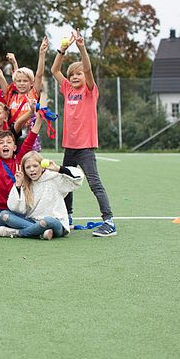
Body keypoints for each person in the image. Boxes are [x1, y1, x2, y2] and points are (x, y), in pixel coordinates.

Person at [51, 29, 116, 237]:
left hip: (85, 147)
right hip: (70, 146)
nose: (75, 76)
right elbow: (54, 70)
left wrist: (81, 48)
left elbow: (88, 69)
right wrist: (62, 49)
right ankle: (67, 217)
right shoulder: (68, 89)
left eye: (78, 74)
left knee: (94, 182)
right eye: (72, 74)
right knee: (66, 181)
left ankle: (109, 221)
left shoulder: (89, 90)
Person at [0, 109, 43, 234]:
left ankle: (23, 230)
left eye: (9, 142)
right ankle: (31, 230)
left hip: (16, 207)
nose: (5, 145)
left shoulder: (20, 159)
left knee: (17, 221)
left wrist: (38, 120)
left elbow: (30, 140)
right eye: (1, 143)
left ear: (14, 147)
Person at [0, 151, 84, 240]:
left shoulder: (54, 178)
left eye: (35, 166)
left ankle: (18, 233)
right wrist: (18, 185)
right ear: (24, 170)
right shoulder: (24, 184)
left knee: (47, 221)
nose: (32, 169)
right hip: (33, 221)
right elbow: (16, 208)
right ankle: (40, 232)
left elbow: (78, 177)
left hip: (55, 223)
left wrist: (59, 169)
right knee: (4, 215)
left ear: (42, 167)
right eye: (28, 167)